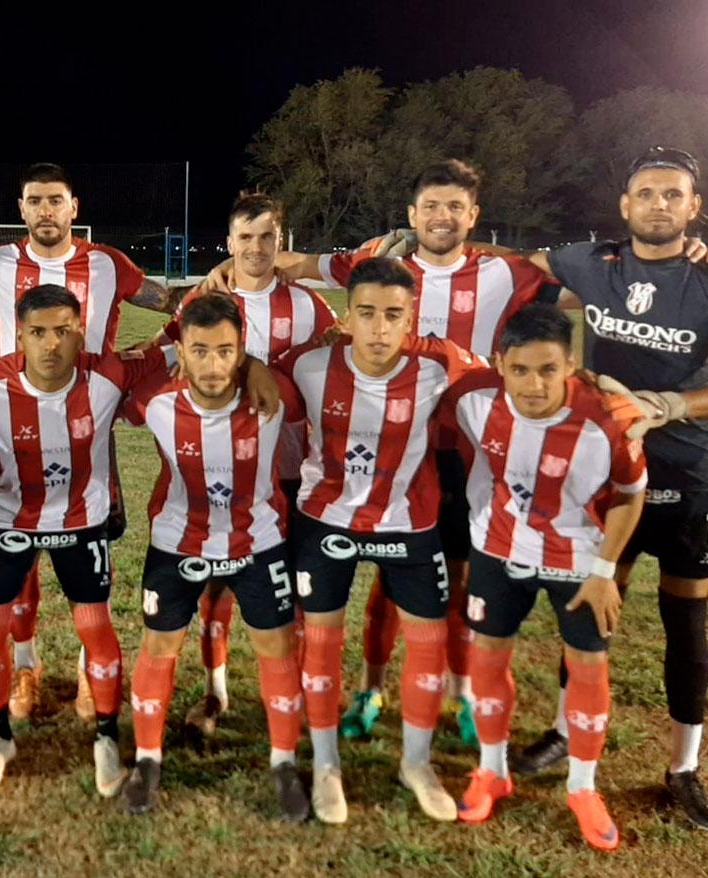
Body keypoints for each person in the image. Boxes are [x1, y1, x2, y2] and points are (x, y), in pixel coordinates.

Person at [239, 159, 561, 743]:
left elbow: (579, 283)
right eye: (431, 206)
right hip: (389, 449)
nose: (442, 217)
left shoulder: (503, 271)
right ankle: (371, 687)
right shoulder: (376, 263)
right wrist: (222, 270)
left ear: (473, 215)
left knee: (452, 582)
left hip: (466, 457)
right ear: (411, 214)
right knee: (390, 582)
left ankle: (460, 695)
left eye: (455, 207)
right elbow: (293, 261)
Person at [504, 148, 708, 832]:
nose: (658, 204)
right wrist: (413, 245)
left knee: (686, 620)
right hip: (608, 471)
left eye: (672, 194)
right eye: (646, 193)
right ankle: (567, 730)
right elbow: (515, 264)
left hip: (689, 471)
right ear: (624, 204)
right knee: (590, 606)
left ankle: (683, 767)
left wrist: (668, 406)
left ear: (693, 206)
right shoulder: (592, 262)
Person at [0, 163, 196, 721]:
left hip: (89, 415)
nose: (45, 211)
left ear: (73, 207)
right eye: (35, 201)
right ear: (21, 209)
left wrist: (201, 305)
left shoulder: (109, 263)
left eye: (55, 200)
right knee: (17, 544)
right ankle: (26, 664)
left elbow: (171, 301)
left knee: (91, 541)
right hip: (10, 416)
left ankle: (89, 670)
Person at [279, 258, 485, 824]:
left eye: (392, 315)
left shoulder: (440, 366)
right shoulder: (307, 365)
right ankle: (326, 765)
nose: (378, 327)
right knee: (321, 643)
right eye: (366, 313)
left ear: (410, 319)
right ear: (346, 317)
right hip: (326, 520)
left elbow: (509, 381)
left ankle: (415, 763)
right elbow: (250, 379)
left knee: (428, 644)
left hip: (408, 522)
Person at [442, 303, 647, 851]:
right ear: (499, 364)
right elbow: (421, 354)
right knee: (488, 657)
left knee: (588, 666)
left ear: (572, 365)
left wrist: (605, 571)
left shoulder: (610, 418)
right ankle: (492, 770)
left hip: (579, 560)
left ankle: (582, 787)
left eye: (548, 370)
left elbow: (630, 495)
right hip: (497, 548)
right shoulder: (471, 396)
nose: (534, 385)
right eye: (520, 370)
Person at [148, 191, 337, 741]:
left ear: (281, 240)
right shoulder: (204, 299)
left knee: (292, 587)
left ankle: (293, 690)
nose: (256, 247)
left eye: (267, 236)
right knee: (216, 590)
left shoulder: (308, 306)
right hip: (217, 471)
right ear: (230, 242)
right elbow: (168, 350)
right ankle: (216, 691)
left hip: (293, 470)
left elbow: (331, 363)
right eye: (246, 237)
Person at [120, 293, 307, 821]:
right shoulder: (153, 401)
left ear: (241, 352)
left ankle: (284, 763)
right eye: (199, 351)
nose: (213, 365)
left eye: (225, 351)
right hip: (177, 542)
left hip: (258, 541)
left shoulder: (275, 393)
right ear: (181, 350)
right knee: (159, 646)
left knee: (276, 647)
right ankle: (148, 759)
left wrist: (259, 367)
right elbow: (112, 384)